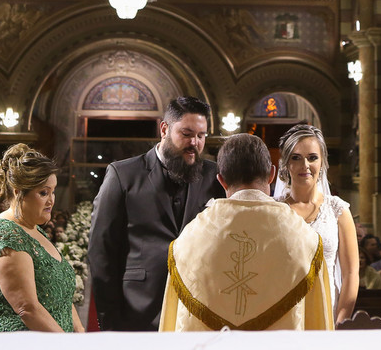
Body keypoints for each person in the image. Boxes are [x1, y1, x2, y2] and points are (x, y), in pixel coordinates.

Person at [159, 133, 333, 331]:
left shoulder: (188, 240)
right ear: (271, 174)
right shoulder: (304, 240)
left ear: (221, 180)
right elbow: (317, 329)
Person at [89, 96, 224, 331]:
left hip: (197, 312)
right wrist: (109, 321)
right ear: (164, 129)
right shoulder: (123, 174)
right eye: (187, 133)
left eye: (201, 136)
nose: (195, 142)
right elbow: (102, 252)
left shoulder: (215, 176)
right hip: (137, 311)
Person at [0, 143, 83, 332]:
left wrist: (80, 334)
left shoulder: (33, 229)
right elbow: (28, 309)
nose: (51, 201)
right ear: (18, 192)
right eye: (43, 193)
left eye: (53, 191)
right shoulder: (5, 238)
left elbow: (62, 298)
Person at [274, 123, 358, 324]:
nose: (305, 165)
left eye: (312, 157)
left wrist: (340, 320)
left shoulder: (338, 210)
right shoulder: (273, 211)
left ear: (322, 162)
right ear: (286, 164)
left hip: (327, 312)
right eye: (296, 158)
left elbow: (350, 273)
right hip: (283, 314)